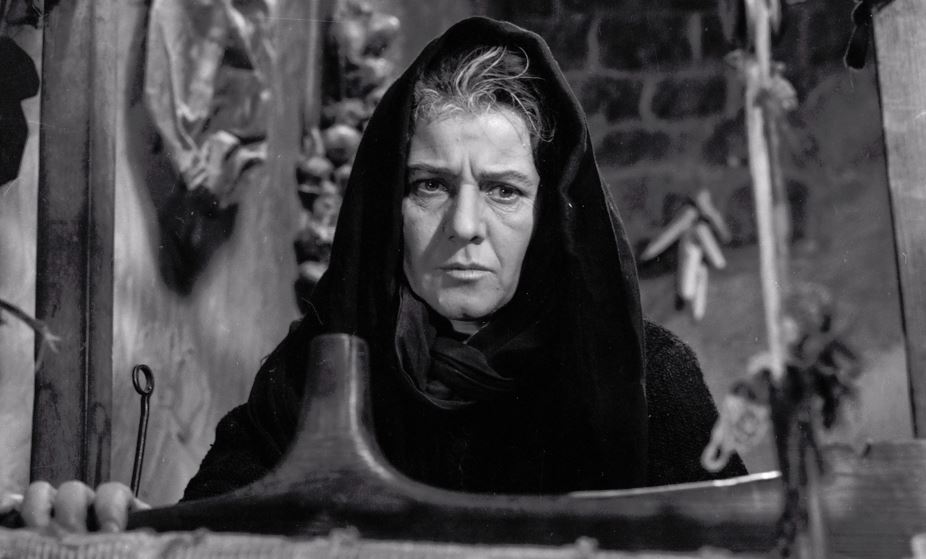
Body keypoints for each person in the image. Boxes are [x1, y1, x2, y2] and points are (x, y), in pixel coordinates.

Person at [18, 16, 745, 532]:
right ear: (388, 206)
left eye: (503, 190)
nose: (465, 225)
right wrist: (114, 530)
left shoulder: (645, 381)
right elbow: (210, 532)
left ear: (548, 219)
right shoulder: (315, 376)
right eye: (430, 185)